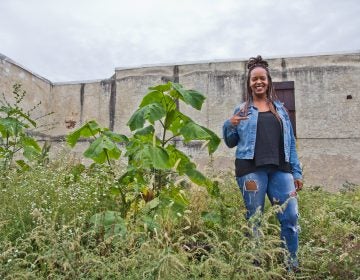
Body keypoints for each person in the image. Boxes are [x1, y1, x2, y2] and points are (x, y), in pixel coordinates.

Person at [222, 55, 303, 270]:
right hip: (250, 171)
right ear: (249, 83)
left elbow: (291, 143)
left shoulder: (281, 111)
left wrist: (297, 172)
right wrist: (229, 124)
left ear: (268, 81)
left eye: (262, 78)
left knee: (291, 216)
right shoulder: (242, 111)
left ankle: (291, 265)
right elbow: (230, 142)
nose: (258, 82)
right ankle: (255, 264)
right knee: (255, 217)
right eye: (254, 79)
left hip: (281, 170)